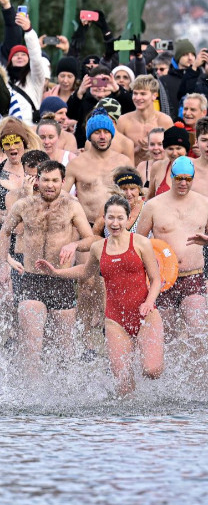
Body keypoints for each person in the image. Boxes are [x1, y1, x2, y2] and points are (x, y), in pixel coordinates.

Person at [37, 195, 164, 396]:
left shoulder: (140, 243)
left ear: (128, 218)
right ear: (104, 218)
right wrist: (56, 272)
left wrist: (149, 302)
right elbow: (86, 272)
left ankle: (147, 364)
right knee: (122, 384)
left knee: (152, 370)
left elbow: (156, 280)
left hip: (145, 313)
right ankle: (128, 423)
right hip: (114, 319)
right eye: (111, 218)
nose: (115, 223)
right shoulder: (98, 247)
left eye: (120, 218)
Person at [0, 161, 95, 374]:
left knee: (63, 349)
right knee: (32, 345)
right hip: (31, 279)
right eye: (45, 180)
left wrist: (74, 244)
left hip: (62, 279)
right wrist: (3, 263)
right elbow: (4, 232)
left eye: (54, 180)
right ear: (37, 180)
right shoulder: (23, 205)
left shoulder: (72, 205)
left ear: (62, 182)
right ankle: (31, 397)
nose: (49, 185)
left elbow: (90, 238)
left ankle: (62, 397)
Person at [136, 156, 208, 337]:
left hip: (193, 276)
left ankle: (195, 367)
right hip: (163, 280)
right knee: (166, 336)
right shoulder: (153, 206)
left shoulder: (204, 204)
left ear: (193, 178)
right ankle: (169, 367)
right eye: (179, 179)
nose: (183, 183)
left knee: (198, 331)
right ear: (171, 177)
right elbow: (138, 243)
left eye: (188, 179)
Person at [63, 111, 134, 223]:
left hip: (118, 224)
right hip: (87, 225)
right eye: (97, 132)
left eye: (106, 132)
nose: (102, 136)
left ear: (112, 134)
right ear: (89, 136)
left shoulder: (124, 162)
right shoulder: (75, 164)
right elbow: (61, 196)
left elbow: (137, 196)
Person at [116, 75, 175, 165]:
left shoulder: (164, 121)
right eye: (135, 93)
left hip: (157, 172)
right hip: (130, 172)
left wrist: (154, 149)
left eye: (143, 94)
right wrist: (136, 150)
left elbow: (172, 152)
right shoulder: (123, 121)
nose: (138, 98)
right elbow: (116, 153)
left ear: (154, 96)